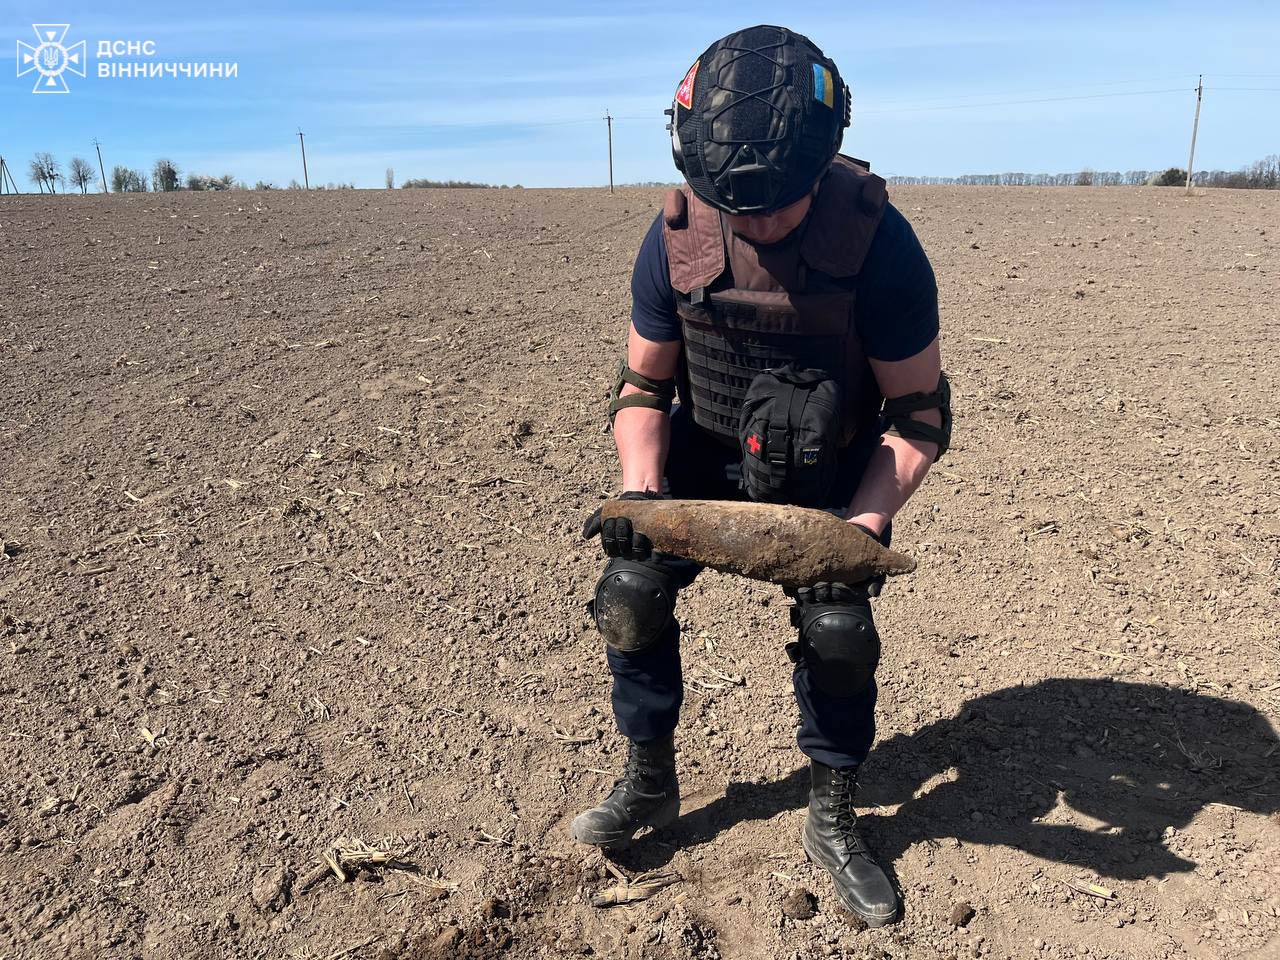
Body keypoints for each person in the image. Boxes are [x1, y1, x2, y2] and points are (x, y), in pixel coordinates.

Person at [573, 24, 951, 928]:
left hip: (832, 475)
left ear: (822, 168)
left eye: (776, 208)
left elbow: (920, 418)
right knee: (627, 591)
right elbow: (641, 386)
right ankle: (650, 782)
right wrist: (641, 489)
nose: (751, 226)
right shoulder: (673, 240)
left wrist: (863, 525)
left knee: (838, 632)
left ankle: (832, 816)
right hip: (703, 454)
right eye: (731, 207)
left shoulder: (881, 246)